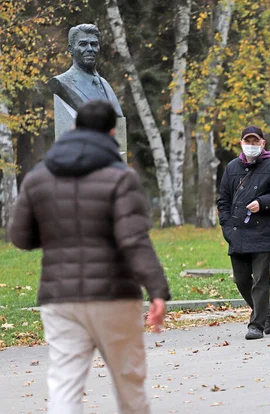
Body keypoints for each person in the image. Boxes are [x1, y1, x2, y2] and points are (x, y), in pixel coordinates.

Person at [9, 100, 169, 414]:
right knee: (129, 384)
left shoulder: (38, 177)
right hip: (115, 298)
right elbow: (133, 240)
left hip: (60, 298)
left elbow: (20, 237)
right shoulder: (121, 178)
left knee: (65, 385)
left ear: (74, 127)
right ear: (112, 132)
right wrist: (157, 290)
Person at [217, 126, 270, 340]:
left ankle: (256, 324)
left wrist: (263, 202)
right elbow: (223, 200)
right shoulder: (232, 168)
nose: (251, 145)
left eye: (255, 141)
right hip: (237, 232)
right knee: (241, 280)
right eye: (247, 141)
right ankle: (265, 308)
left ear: (262, 143)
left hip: (263, 232)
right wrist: (227, 226)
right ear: (241, 143)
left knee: (260, 279)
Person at [49, 24, 123, 116]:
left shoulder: (105, 84)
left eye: (94, 44)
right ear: (71, 49)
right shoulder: (63, 82)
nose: (90, 49)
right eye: (83, 44)